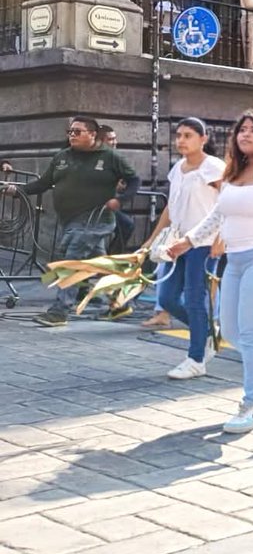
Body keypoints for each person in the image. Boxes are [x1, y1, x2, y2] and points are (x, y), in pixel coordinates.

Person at [167, 108, 253, 434]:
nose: (245, 135)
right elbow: (218, 215)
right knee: (230, 332)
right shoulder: (236, 170)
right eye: (241, 130)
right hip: (237, 260)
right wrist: (187, 242)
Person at [8, 117, 141, 327]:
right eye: (70, 132)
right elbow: (43, 183)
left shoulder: (110, 157)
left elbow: (134, 180)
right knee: (99, 264)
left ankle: (59, 312)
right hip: (70, 221)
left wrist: (120, 199)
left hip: (95, 221)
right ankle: (120, 302)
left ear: (92, 134)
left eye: (77, 132)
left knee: (71, 261)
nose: (72, 136)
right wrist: (18, 191)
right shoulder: (62, 157)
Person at [140, 118, 225, 377]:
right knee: (166, 298)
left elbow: (228, 202)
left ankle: (196, 358)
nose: (181, 140)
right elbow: (170, 207)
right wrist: (152, 239)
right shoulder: (177, 168)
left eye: (188, 135)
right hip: (176, 242)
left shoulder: (213, 167)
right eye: (179, 135)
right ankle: (207, 333)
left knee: (194, 298)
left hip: (203, 243)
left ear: (203, 139)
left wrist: (222, 237)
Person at [96, 125, 136, 254]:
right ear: (101, 141)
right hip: (89, 208)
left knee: (127, 225)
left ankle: (111, 258)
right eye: (111, 139)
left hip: (105, 208)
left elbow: (134, 179)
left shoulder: (115, 158)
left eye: (115, 139)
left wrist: (120, 197)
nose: (115, 143)